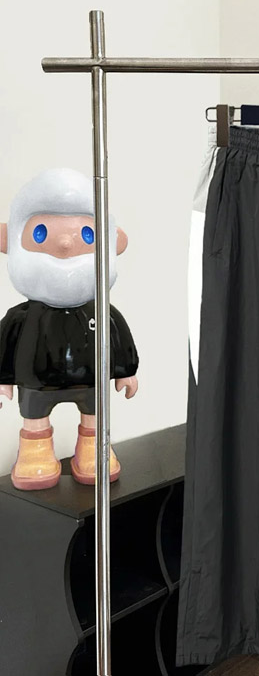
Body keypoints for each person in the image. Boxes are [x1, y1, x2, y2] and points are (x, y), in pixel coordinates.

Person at [0, 168, 139, 490]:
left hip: (90, 380)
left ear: (113, 241)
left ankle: (93, 448)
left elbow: (117, 336)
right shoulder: (22, 316)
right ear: (7, 240)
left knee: (94, 415)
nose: (64, 243)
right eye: (41, 233)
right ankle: (34, 452)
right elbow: (6, 342)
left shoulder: (101, 311)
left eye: (86, 234)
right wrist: (4, 379)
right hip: (35, 382)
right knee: (34, 418)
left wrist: (126, 371)